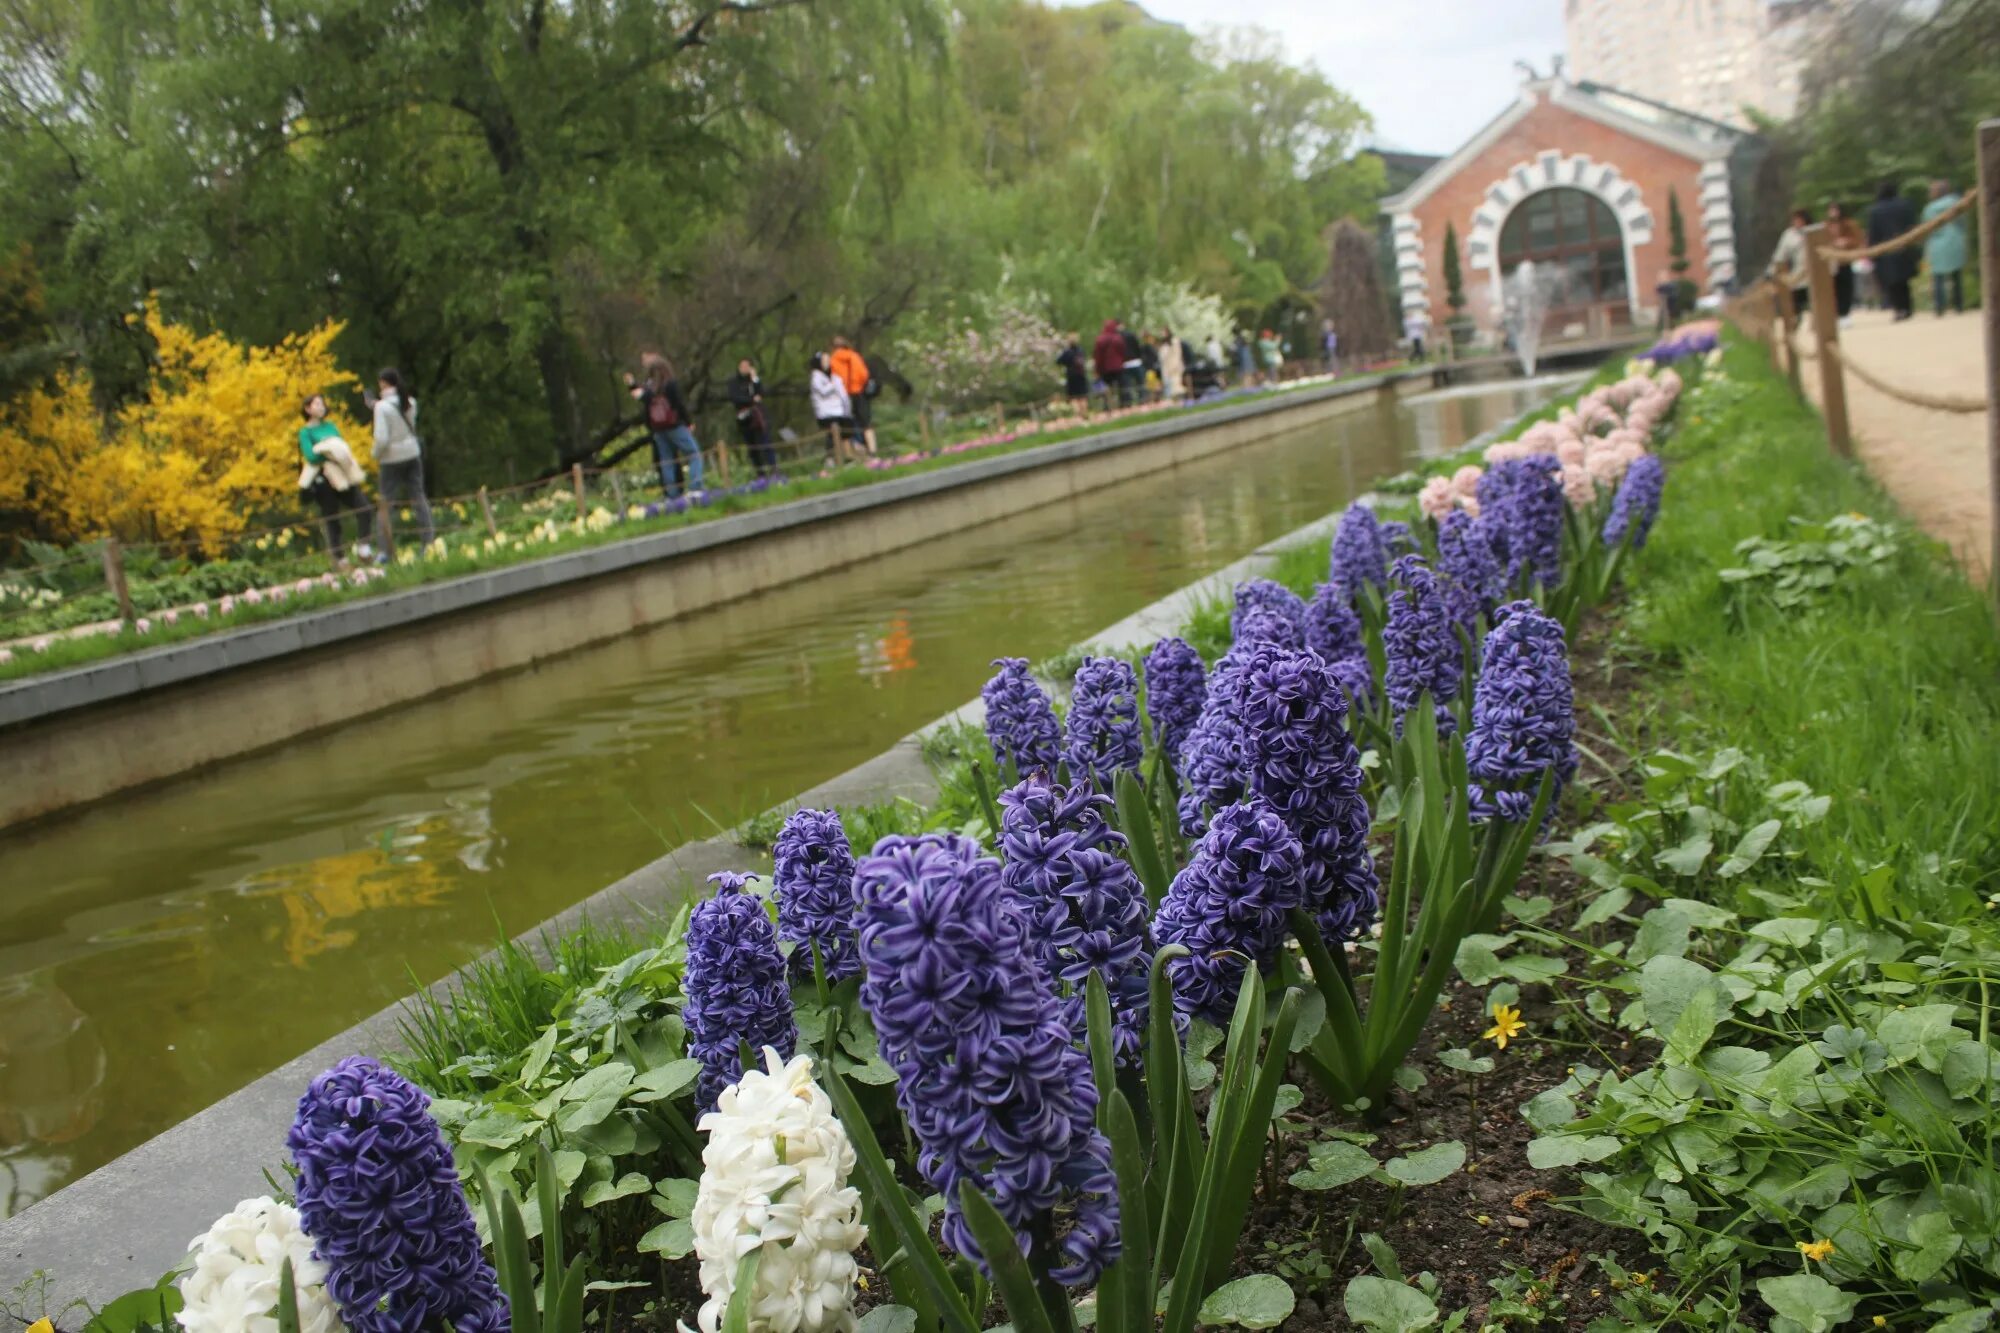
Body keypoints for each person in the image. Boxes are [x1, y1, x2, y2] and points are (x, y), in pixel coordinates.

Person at [297, 394, 375, 563]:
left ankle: (364, 547)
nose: (321, 407)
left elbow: (342, 448)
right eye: (316, 404)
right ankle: (340, 558)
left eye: (322, 403)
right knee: (332, 517)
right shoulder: (305, 432)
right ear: (308, 409)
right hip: (323, 479)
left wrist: (331, 453)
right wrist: (328, 455)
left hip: (342, 474)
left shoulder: (331, 426)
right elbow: (311, 456)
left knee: (364, 508)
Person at [370, 368, 435, 546]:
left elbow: (382, 438)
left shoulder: (381, 407)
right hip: (412, 453)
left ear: (383, 383)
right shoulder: (410, 401)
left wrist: (374, 454)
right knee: (419, 497)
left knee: (386, 503)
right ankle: (429, 541)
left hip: (391, 458)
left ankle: (385, 548)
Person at [625, 353, 703, 498]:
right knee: (694, 454)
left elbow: (639, 396)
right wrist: (688, 422)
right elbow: (678, 405)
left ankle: (671, 495)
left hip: (658, 429)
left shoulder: (649, 387)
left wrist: (631, 384)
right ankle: (695, 488)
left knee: (666, 461)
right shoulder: (669, 384)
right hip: (674, 425)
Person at [1866, 180, 1918, 321]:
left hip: (1886, 249)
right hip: (1904, 246)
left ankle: (1899, 309)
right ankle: (1907, 308)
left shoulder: (1875, 211)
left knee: (1892, 282)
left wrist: (1872, 251)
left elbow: (1874, 233)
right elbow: (1912, 226)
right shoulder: (1905, 205)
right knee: (1903, 281)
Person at [1921, 178, 1968, 317]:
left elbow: (1926, 228)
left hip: (1937, 243)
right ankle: (1959, 305)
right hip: (1955, 239)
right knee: (1956, 276)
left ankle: (1939, 307)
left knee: (1938, 278)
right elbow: (1962, 221)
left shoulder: (1929, 209)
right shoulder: (1956, 203)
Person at [727, 359, 777, 478]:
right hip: (744, 417)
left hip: (757, 416)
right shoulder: (733, 382)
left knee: (765, 442)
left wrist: (755, 379)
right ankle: (760, 473)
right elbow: (735, 398)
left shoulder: (753, 380)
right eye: (742, 366)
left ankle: (774, 469)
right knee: (752, 447)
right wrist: (751, 400)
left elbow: (761, 393)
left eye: (747, 366)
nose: (745, 368)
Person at [828, 336, 877, 456]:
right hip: (859, 393)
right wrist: (858, 385)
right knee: (866, 423)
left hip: (843, 396)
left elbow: (833, 379)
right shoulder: (854, 355)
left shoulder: (832, 360)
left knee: (846, 425)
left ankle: (850, 455)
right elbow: (864, 374)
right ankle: (872, 451)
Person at [808, 351, 853, 461]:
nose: (827, 363)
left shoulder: (831, 376)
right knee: (832, 435)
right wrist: (834, 384)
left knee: (845, 433)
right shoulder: (816, 377)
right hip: (826, 413)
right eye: (824, 361)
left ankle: (848, 456)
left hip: (839, 410)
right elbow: (823, 391)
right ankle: (831, 458)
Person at [1767, 208, 1812, 316]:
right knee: (1796, 304)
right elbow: (1780, 254)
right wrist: (1772, 270)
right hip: (1798, 275)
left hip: (1814, 273)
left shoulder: (1812, 231)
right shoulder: (1789, 235)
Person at [1825, 202, 1864, 323]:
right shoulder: (1826, 226)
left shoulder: (1849, 224)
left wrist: (1846, 242)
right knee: (1833, 289)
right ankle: (1836, 313)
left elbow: (1858, 239)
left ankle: (1845, 313)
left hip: (1845, 260)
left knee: (1846, 287)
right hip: (1831, 261)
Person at [1092, 319, 1130, 408]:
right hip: (1118, 367)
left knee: (1105, 388)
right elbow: (1123, 352)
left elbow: (1098, 357)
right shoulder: (1118, 338)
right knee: (1122, 386)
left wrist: (1098, 369)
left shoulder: (1100, 339)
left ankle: (1106, 406)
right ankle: (1125, 404)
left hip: (1105, 369)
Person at [1056, 332, 1091, 407]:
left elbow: (1058, 361)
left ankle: (1078, 414)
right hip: (1081, 374)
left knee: (1073, 397)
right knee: (1083, 395)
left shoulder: (1067, 352)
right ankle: (1084, 412)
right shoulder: (1080, 350)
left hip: (1071, 375)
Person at [1119, 322, 1146, 405]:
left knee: (1127, 386)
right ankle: (1142, 400)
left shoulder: (1118, 338)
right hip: (1135, 362)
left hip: (1126, 363)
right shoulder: (1131, 335)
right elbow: (1138, 347)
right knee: (1140, 383)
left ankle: (1129, 403)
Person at [1157, 328, 1185, 405]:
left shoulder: (1174, 341)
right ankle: (1172, 402)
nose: (1161, 335)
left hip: (1174, 367)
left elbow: (1177, 354)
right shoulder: (1163, 345)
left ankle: (1179, 403)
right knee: (1169, 386)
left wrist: (1174, 366)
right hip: (1166, 368)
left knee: (1176, 385)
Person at [1654, 267, 1681, 333]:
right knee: (1664, 320)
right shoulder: (1660, 286)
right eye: (1660, 276)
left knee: (1672, 320)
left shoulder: (1671, 285)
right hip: (1664, 307)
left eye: (1663, 276)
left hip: (1671, 306)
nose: (1662, 278)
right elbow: (1658, 291)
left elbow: (1674, 294)